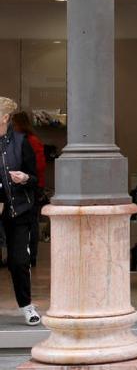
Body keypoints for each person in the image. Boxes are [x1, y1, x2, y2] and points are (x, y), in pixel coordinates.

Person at [0, 97, 41, 326]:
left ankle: (27, 306)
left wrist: (25, 178)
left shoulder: (21, 141)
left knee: (18, 261)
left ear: (5, 118)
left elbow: (34, 178)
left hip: (18, 210)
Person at [11, 112, 46, 266]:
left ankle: (29, 257)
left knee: (30, 223)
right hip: (31, 185)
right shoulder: (31, 140)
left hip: (31, 186)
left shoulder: (28, 141)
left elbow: (37, 167)